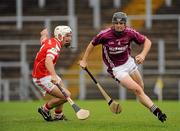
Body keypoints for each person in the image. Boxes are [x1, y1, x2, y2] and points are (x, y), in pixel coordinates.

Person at [79, 12, 167, 122]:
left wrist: (143, 54)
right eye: (116, 23)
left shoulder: (130, 32)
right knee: (138, 89)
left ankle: (147, 104)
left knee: (140, 89)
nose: (119, 25)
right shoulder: (105, 35)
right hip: (116, 69)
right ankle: (157, 111)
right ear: (113, 24)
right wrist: (84, 60)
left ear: (125, 24)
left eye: (121, 23)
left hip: (129, 62)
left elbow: (147, 42)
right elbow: (91, 44)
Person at [32, 25, 72, 121]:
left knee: (63, 91)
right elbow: (48, 61)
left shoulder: (51, 41)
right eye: (67, 36)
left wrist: (44, 34)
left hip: (46, 74)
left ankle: (58, 115)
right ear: (59, 36)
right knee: (66, 95)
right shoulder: (54, 46)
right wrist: (53, 76)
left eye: (70, 36)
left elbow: (43, 40)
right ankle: (45, 109)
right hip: (41, 77)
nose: (69, 38)